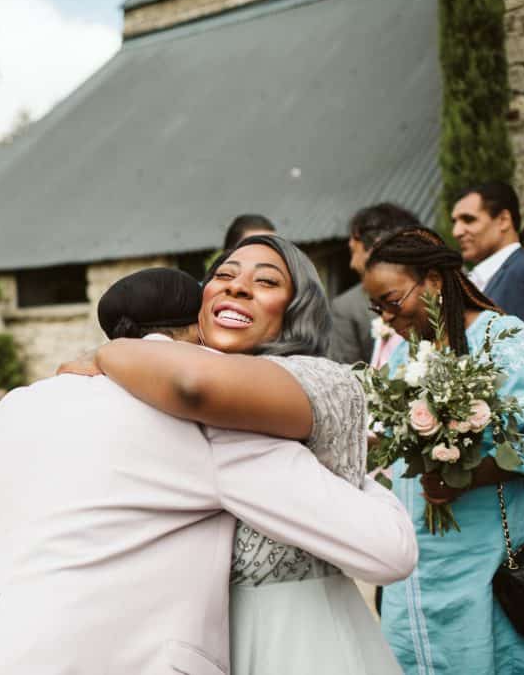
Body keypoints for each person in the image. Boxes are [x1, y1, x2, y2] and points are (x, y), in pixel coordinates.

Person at [0, 265, 417, 675]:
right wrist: (336, 457)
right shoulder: (208, 423)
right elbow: (387, 549)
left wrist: (10, 615)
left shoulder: (21, 404)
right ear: (199, 330)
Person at [69, 235, 402, 673]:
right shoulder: (156, 384)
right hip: (191, 641)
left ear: (296, 309)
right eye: (223, 275)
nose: (237, 286)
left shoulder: (320, 379)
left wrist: (111, 352)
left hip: (299, 639)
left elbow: (196, 387)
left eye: (266, 281)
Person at [362, 227, 524, 675]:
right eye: (377, 309)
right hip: (418, 565)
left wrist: (468, 475)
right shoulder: (406, 354)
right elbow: (396, 441)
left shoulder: (503, 340)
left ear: (433, 280)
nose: (387, 318)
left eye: (392, 301)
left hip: (484, 559)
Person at [329, 203, 421, 365]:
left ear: (376, 246)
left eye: (353, 251)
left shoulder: (447, 290)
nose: (351, 264)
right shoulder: (347, 307)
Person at [452, 181, 524, 319]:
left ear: (503, 220)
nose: (456, 232)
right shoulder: (476, 280)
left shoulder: (520, 271)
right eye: (454, 222)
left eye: (468, 219)